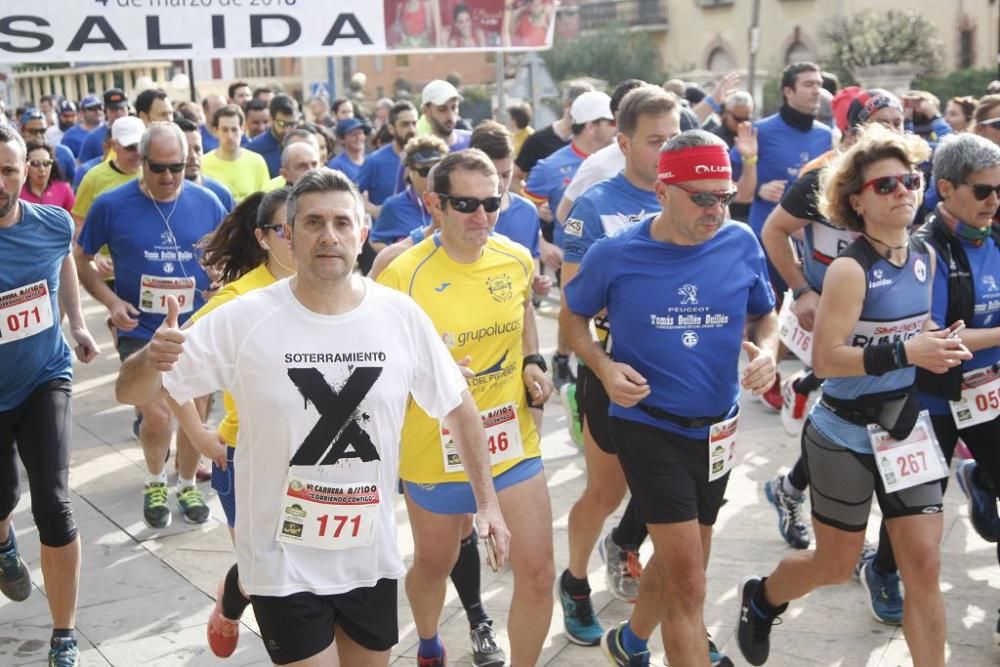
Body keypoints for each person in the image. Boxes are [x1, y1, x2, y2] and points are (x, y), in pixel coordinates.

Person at [115, 166, 510, 667]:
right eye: (313, 223)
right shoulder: (244, 317)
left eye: (343, 223)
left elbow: (459, 407)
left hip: (368, 555)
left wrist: (488, 504)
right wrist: (151, 356)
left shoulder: (399, 316)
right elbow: (131, 392)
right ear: (288, 236)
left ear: (361, 234)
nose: (329, 236)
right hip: (281, 559)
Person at [736, 124, 965, 667]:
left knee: (925, 567)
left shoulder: (926, 257)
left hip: (904, 429)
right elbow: (825, 360)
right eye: (885, 186)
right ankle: (762, 598)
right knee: (837, 566)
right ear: (856, 201)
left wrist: (952, 343)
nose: (903, 191)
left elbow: (920, 328)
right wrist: (908, 353)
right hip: (842, 432)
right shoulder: (847, 269)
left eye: (910, 180)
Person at [561, 129, 778, 667]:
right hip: (647, 423)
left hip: (717, 429)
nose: (716, 209)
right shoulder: (616, 253)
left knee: (687, 561)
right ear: (662, 192)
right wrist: (605, 368)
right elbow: (572, 317)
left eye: (724, 196)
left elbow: (766, 312)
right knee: (690, 585)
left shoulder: (740, 241)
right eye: (701, 197)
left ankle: (630, 641)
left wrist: (768, 352)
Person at [377, 149, 554, 667]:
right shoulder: (402, 274)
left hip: (508, 438)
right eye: (466, 205)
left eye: (491, 203)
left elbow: (520, 314)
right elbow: (378, 366)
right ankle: (429, 641)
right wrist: (431, 379)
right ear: (434, 204)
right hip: (434, 446)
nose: (482, 217)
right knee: (435, 563)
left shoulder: (516, 257)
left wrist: (533, 362)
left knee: (539, 571)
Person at [760, 90, 915, 625]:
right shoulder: (821, 178)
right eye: (881, 122)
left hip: (883, 320)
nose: (892, 129)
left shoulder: (908, 178)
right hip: (829, 313)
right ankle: (836, 528)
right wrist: (802, 289)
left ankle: (794, 488)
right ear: (852, 129)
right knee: (839, 398)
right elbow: (774, 231)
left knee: (852, 402)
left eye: (900, 121)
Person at [557, 85, 683, 646]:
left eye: (675, 138)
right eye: (656, 141)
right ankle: (575, 580)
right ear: (624, 142)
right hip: (613, 370)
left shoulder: (692, 197)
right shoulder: (595, 205)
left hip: (678, 370)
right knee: (606, 494)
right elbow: (571, 309)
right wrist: (604, 368)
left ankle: (678, 621)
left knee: (673, 500)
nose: (668, 150)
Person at [74, 122, 226, 529]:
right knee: (157, 414)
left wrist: (220, 286)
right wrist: (111, 301)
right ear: (141, 163)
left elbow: (227, 262)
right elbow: (81, 259)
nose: (168, 177)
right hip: (140, 330)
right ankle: (156, 480)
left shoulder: (209, 201)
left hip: (195, 328)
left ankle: (188, 482)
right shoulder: (111, 205)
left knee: (195, 409)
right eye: (158, 168)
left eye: (176, 167)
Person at [0, 125, 99, 667]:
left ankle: (64, 634)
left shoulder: (53, 222)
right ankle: (2, 543)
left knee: (55, 505)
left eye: (9, 169)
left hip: (45, 376)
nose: (1, 181)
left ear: (25, 172)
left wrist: (79, 324)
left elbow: (62, 261)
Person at [183, 188, 296, 658]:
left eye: (307, 224)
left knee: (303, 572)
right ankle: (232, 605)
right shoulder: (235, 301)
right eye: (284, 230)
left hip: (319, 461)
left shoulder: (337, 290)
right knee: (265, 574)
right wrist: (196, 434)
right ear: (264, 238)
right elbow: (167, 370)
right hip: (245, 460)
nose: (301, 238)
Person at [913, 133, 1000, 636]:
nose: (994, 201)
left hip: (989, 395)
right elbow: (938, 335)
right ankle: (879, 571)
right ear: (946, 188)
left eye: (999, 190)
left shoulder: (993, 234)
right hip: (934, 400)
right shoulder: (927, 248)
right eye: (984, 191)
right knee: (917, 524)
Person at [732, 61, 833, 410]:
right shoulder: (759, 132)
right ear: (787, 91)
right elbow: (730, 187)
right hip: (768, 239)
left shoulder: (825, 134)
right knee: (768, 310)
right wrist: (760, 188)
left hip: (812, 242)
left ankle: (810, 376)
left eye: (818, 83)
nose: (815, 90)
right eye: (807, 84)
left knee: (814, 311)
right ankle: (769, 378)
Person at [524, 90, 617, 389]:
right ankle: (564, 361)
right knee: (575, 311)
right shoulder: (549, 167)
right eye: (611, 121)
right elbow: (522, 214)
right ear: (591, 125)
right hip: (571, 255)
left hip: (614, 254)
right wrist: (542, 244)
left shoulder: (623, 158)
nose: (617, 127)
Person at [513, 80, 593, 194]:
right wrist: (533, 203)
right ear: (566, 106)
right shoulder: (538, 141)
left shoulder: (595, 141)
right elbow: (515, 177)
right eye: (582, 108)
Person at [71, 116, 145, 237]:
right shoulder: (93, 177)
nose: (138, 153)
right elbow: (79, 221)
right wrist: (93, 254)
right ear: (114, 145)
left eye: (141, 146)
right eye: (130, 147)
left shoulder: (154, 173)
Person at [369, 135, 444, 252]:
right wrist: (404, 257)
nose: (432, 176)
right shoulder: (393, 206)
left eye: (437, 169)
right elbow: (376, 240)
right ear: (410, 172)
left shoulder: (453, 203)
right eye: (425, 171)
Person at [357, 100, 419, 219]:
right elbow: (352, 193)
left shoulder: (425, 159)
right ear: (391, 128)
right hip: (386, 234)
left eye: (414, 123)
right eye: (405, 124)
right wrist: (373, 210)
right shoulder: (375, 161)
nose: (411, 129)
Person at [201, 105, 270, 201]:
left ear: (242, 129)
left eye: (234, 129)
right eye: (225, 130)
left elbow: (265, 202)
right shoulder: (202, 163)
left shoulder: (257, 162)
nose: (230, 136)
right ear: (215, 131)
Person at [173, 118, 236, 213]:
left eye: (197, 149)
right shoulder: (161, 195)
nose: (193, 156)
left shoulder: (221, 194)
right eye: (185, 150)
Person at [247, 94, 301, 178]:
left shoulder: (306, 143)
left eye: (292, 124)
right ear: (271, 119)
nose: (287, 130)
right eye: (282, 124)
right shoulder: (254, 149)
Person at [19, 108, 76, 186]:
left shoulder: (63, 153)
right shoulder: (16, 156)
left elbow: (74, 183)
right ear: (23, 131)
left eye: (42, 131)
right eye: (33, 131)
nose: (38, 135)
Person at [77, 88, 129, 164]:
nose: (119, 113)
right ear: (105, 111)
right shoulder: (92, 138)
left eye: (122, 108)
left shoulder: (140, 132)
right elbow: (82, 168)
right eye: (113, 110)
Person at [20, 142, 75, 213]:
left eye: (46, 163)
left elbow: (75, 221)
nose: (42, 169)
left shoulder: (64, 189)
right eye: (35, 163)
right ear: (26, 166)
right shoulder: (16, 191)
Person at [420, 80, 472, 151]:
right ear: (426, 111)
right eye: (442, 109)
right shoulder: (419, 152)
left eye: (454, 107)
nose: (450, 115)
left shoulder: (473, 142)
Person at [327, 117, 370, 181]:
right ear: (342, 139)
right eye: (353, 134)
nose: (358, 138)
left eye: (360, 133)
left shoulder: (371, 160)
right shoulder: (336, 165)